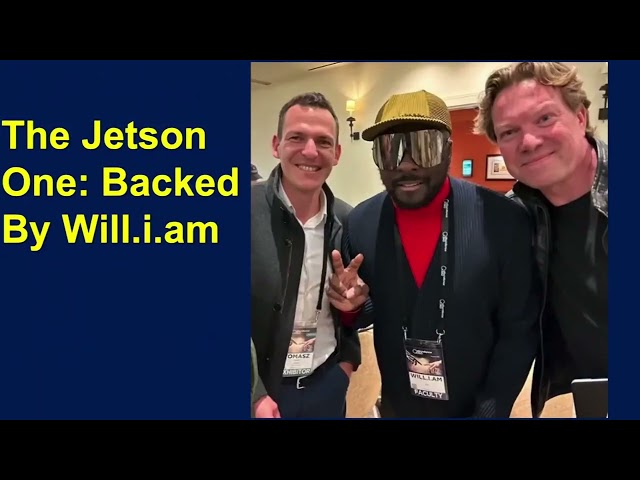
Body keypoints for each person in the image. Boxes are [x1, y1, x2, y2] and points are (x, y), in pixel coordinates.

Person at [332, 89, 540, 418]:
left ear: (448, 150)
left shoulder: (502, 220)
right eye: (390, 150)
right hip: (397, 406)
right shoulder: (361, 223)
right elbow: (372, 313)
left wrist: (490, 411)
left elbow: (519, 330)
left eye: (423, 147)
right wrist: (352, 308)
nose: (406, 164)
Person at [473, 61, 608, 418]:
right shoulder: (511, 220)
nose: (529, 142)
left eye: (545, 118)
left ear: (580, 116)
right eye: (509, 132)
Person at [251, 92, 367, 418]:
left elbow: (356, 310)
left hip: (326, 386)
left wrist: (346, 364)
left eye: (323, 141)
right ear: (276, 145)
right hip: (261, 395)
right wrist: (254, 394)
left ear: (337, 153)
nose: (311, 151)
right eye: (297, 138)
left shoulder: (349, 221)